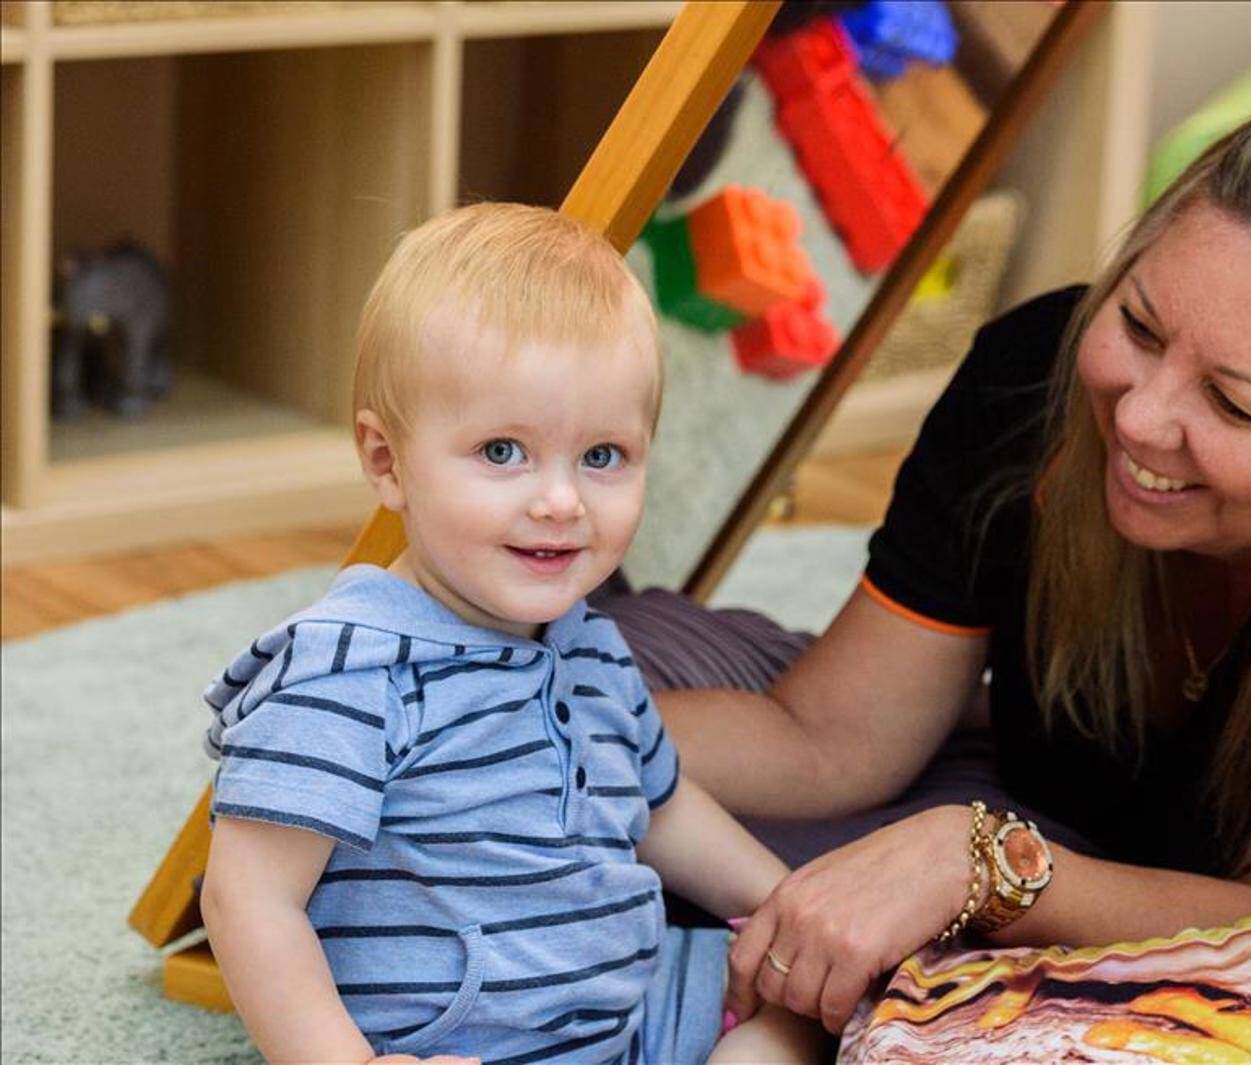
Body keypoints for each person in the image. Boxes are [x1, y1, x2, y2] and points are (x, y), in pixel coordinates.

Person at [651, 98, 1251, 1036]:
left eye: (1233, 404)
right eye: (1140, 327)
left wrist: (982, 862)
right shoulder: (1036, 382)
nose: (1140, 417)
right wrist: (554, 715)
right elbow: (831, 734)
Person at [198, 204, 821, 1064]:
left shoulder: (593, 645)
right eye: (502, 451)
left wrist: (792, 903)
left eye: (601, 456)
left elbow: (664, 808)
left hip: (634, 1014)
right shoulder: (349, 665)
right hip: (459, 1047)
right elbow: (248, 899)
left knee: (804, 1007)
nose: (560, 501)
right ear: (386, 462)